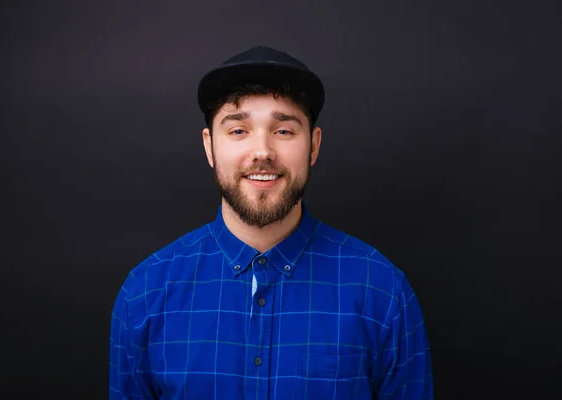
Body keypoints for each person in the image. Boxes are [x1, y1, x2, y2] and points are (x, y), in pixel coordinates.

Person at [109, 45, 434, 399]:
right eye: (238, 131)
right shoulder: (145, 292)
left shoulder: (382, 290)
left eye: (283, 131)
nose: (262, 151)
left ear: (313, 146)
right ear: (209, 147)